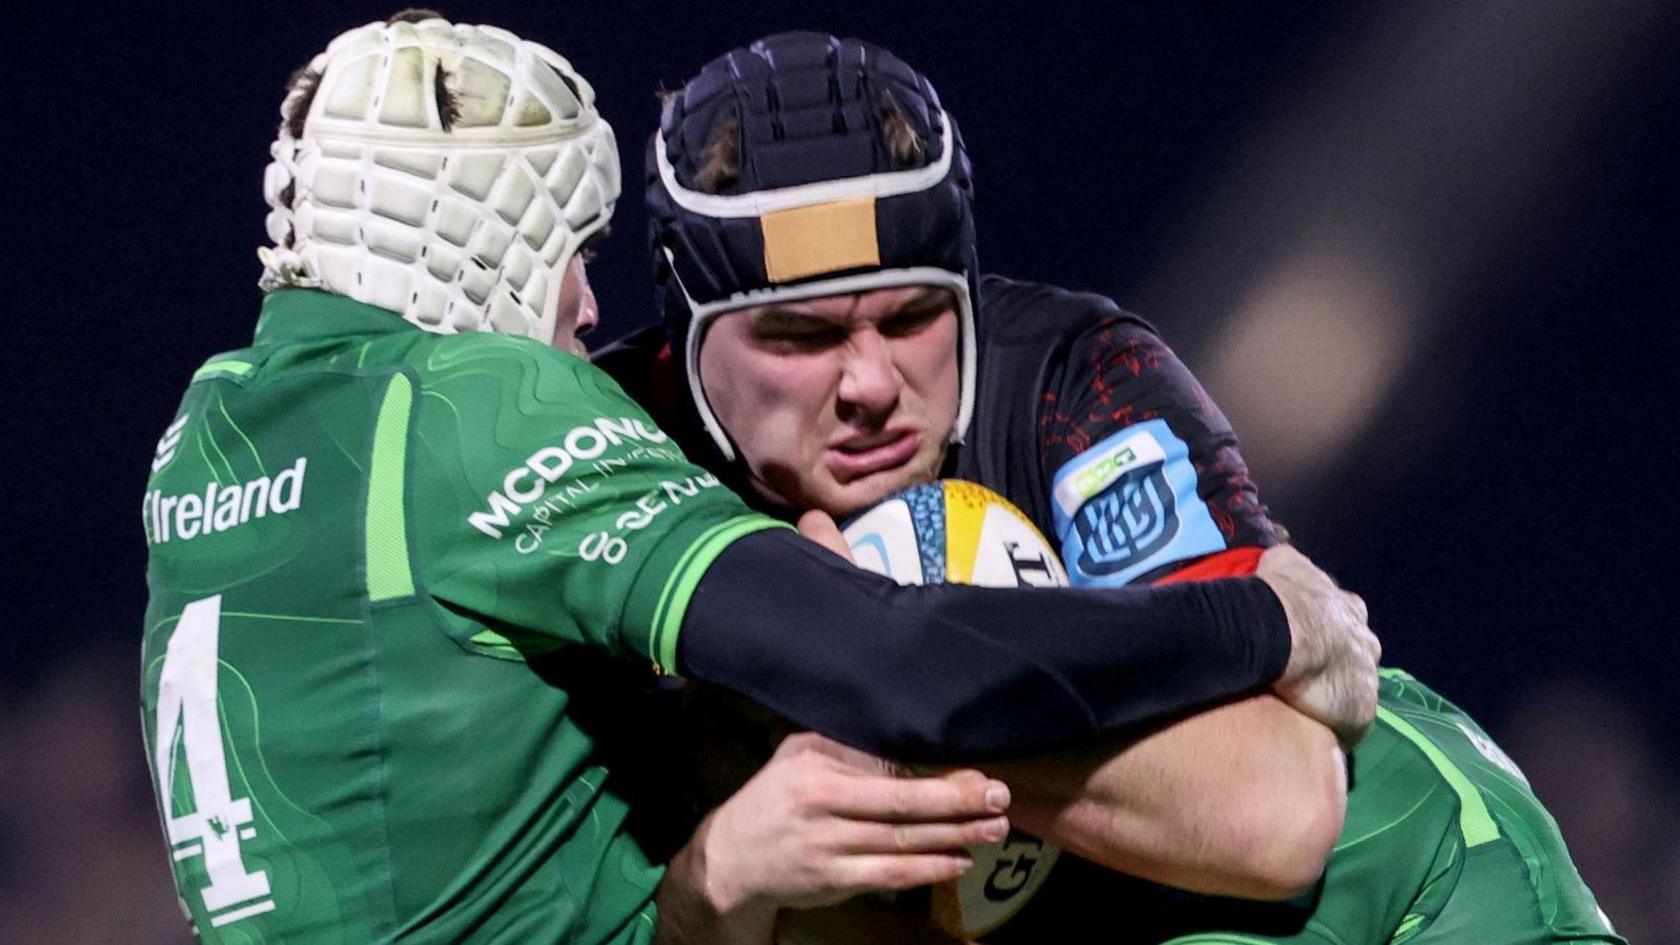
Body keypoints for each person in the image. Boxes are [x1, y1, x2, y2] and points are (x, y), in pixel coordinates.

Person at [138, 14, 1380, 944]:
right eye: (571, 250)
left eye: (907, 321)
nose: (585, 302)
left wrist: (712, 874)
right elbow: (904, 669)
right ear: (480, 237)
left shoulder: (209, 436)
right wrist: (1269, 617)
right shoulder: (484, 403)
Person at [616, 30, 1623, 944]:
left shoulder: (1072, 384)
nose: (873, 385)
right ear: (689, 338)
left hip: (1401, 892)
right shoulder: (611, 458)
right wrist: (711, 887)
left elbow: (1275, 820)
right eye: (803, 335)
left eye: (916, 318)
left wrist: (886, 688)